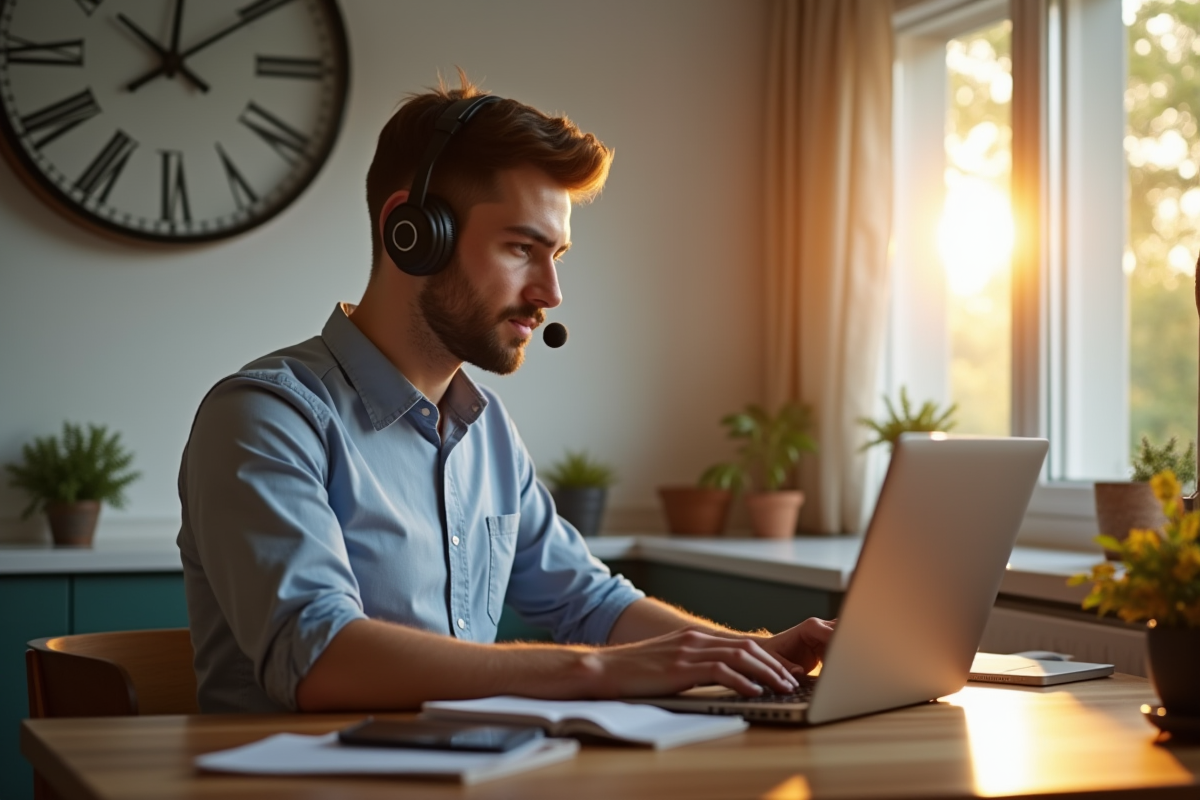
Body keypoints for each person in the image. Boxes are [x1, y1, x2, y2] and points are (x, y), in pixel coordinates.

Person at [177, 74, 835, 713]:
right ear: (411, 233)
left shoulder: (483, 431)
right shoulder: (266, 418)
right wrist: (596, 672)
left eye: (559, 255)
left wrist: (751, 654)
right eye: (523, 247)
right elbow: (318, 659)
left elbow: (591, 603)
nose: (551, 293)